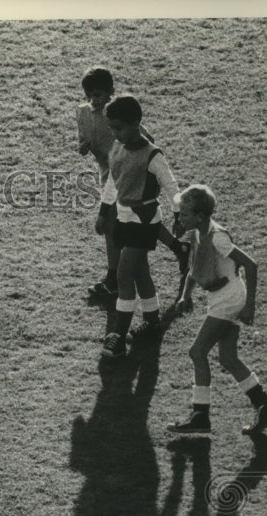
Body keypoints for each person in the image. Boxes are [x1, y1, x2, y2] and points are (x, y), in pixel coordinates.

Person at [78, 68, 190, 302]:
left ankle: (113, 279)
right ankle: (179, 249)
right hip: (109, 174)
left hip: (130, 176)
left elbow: (148, 141)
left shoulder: (122, 113)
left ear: (110, 93)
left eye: (98, 95)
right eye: (89, 96)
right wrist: (84, 146)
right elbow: (84, 139)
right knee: (137, 219)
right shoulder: (84, 113)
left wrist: (139, 161)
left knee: (118, 225)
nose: (93, 101)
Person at [166, 185, 267, 435]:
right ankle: (264, 406)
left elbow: (251, 265)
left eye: (185, 213)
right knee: (228, 358)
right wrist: (185, 296)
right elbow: (195, 269)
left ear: (200, 216)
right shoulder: (198, 233)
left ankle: (200, 416)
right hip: (222, 297)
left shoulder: (217, 237)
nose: (180, 217)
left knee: (197, 351)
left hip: (229, 299)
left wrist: (250, 307)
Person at [96, 94, 181, 358]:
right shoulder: (118, 147)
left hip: (144, 221)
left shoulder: (152, 155)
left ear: (136, 123)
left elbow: (170, 185)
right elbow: (113, 180)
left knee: (124, 276)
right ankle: (152, 321)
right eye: (111, 127)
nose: (114, 132)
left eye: (118, 127)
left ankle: (118, 337)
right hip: (123, 218)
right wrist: (103, 212)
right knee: (140, 273)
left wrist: (178, 214)